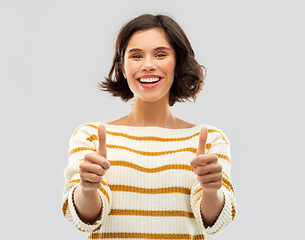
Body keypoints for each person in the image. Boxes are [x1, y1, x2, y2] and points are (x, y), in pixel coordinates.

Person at [62, 13, 237, 239]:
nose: (148, 65)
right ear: (123, 69)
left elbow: (214, 223)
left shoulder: (210, 139)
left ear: (178, 65)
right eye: (136, 56)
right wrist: (87, 188)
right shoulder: (91, 136)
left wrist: (212, 191)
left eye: (160, 54)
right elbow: (84, 220)